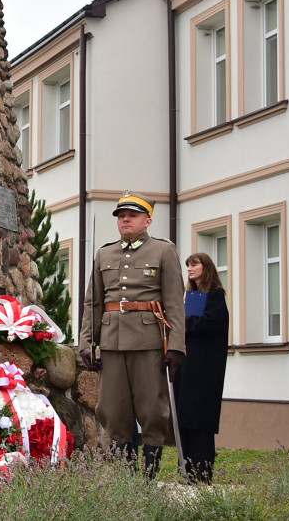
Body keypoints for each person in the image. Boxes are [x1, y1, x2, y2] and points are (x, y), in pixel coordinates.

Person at [79, 192, 186, 478]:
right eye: (121, 216)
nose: (125, 219)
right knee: (113, 411)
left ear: (147, 221)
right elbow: (93, 303)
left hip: (149, 343)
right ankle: (127, 480)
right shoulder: (105, 254)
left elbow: (175, 303)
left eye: (132, 215)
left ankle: (148, 479)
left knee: (152, 411)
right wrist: (87, 343)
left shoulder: (163, 251)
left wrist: (176, 346)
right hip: (112, 344)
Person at [174, 252, 229, 484]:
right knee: (184, 417)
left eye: (194, 264)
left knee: (200, 420)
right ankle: (186, 472)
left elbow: (209, 324)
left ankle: (201, 473)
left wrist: (182, 322)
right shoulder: (191, 296)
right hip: (187, 367)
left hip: (205, 369)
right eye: (188, 265)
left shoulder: (215, 295)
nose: (189, 268)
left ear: (206, 267)